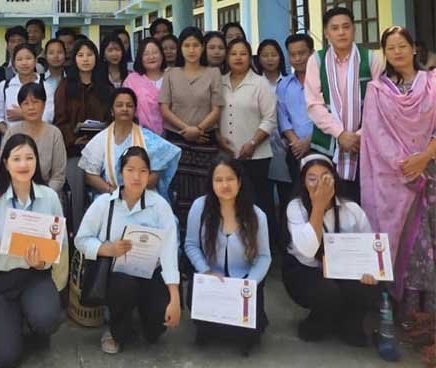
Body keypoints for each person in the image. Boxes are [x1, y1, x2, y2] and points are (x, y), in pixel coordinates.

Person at [360, 26, 436, 323]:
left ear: (413, 48)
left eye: (402, 45)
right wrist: (404, 164)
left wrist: (425, 157)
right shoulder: (378, 90)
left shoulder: (431, 83)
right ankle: (408, 315)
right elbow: (375, 133)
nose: (397, 52)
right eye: (390, 48)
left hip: (430, 172)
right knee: (408, 242)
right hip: (397, 178)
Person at [75, 146, 181, 354]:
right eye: (130, 169)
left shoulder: (159, 206)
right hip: (116, 276)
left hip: (151, 273)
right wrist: (107, 248)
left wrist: (175, 298)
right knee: (124, 286)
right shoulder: (104, 204)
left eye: (143, 171)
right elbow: (81, 240)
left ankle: (142, 314)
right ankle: (114, 327)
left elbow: (170, 252)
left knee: (154, 333)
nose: (136, 176)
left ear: (149, 175)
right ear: (120, 172)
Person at [0, 134, 64, 368]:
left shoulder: (49, 197)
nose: (23, 164)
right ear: (6, 164)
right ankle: (3, 323)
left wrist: (41, 263)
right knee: (4, 358)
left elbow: (56, 247)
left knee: (48, 319)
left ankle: (28, 320)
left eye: (29, 158)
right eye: (17, 158)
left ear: (36, 162)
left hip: (33, 276)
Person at [283, 155, 379, 346]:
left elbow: (370, 247)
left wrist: (371, 271)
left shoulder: (351, 208)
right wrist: (318, 206)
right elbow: (308, 250)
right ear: (303, 181)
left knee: (370, 286)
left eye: (326, 176)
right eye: (312, 178)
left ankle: (350, 323)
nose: (319, 183)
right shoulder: (296, 208)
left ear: (335, 178)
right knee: (327, 291)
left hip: (346, 270)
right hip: (306, 271)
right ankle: (318, 321)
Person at [184, 158, 271, 355]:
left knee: (247, 335)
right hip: (211, 279)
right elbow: (190, 245)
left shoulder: (257, 215)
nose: (224, 185)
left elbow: (264, 257)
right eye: (218, 180)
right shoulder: (200, 207)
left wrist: (249, 283)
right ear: (211, 183)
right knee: (207, 330)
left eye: (230, 179)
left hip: (243, 282)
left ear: (239, 182)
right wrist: (205, 271)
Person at [304, 7, 384, 202]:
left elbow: (381, 106)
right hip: (327, 144)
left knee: (364, 201)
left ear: (354, 29)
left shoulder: (371, 58)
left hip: (364, 144)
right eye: (335, 28)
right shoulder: (316, 60)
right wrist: (340, 134)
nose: (341, 32)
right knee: (329, 202)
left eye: (346, 27)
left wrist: (357, 136)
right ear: (326, 32)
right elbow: (313, 103)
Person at [159, 26, 224, 231]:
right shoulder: (171, 74)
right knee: (179, 193)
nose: (191, 50)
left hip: (205, 141)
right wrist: (186, 130)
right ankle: (182, 244)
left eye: (196, 45)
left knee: (205, 193)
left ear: (202, 47)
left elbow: (216, 108)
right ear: (180, 48)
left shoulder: (213, 73)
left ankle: (205, 239)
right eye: (187, 45)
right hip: (177, 142)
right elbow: (164, 108)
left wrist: (198, 129)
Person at [217, 38, 278, 249]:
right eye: (233, 53)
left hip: (256, 157)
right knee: (230, 204)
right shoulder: (220, 82)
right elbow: (214, 114)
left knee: (258, 205)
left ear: (249, 56)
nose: (238, 57)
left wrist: (253, 142)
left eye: (243, 53)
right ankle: (234, 248)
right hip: (227, 157)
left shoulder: (260, 83)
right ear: (227, 56)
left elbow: (270, 119)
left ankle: (261, 249)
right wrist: (217, 137)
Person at [80, 87, 180, 202]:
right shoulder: (100, 140)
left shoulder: (148, 138)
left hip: (143, 195)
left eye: (129, 105)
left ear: (135, 110)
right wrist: (113, 192)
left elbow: (155, 175)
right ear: (112, 111)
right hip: (110, 197)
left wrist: (133, 192)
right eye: (119, 105)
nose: (124, 109)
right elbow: (90, 175)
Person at [54, 39, 113, 232]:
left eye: (89, 55)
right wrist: (73, 139)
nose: (85, 59)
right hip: (74, 151)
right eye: (80, 55)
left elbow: (111, 119)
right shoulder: (65, 86)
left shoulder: (106, 87)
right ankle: (79, 237)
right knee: (77, 192)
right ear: (74, 60)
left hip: (103, 150)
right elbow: (60, 120)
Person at [0, 83, 66, 193]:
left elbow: (58, 176)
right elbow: (1, 168)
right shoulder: (12, 132)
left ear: (44, 105)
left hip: (47, 193)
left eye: (35, 102)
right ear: (20, 107)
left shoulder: (54, 133)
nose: (31, 107)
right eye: (26, 103)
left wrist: (44, 196)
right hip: (15, 192)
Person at [256, 39, 292, 239]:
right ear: (258, 58)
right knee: (265, 196)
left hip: (286, 145)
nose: (270, 59)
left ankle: (287, 237)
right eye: (265, 55)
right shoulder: (255, 82)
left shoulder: (289, 82)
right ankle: (270, 239)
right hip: (261, 146)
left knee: (287, 195)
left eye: (274, 54)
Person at [277, 34, 315, 214]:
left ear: (312, 53)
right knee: (298, 197)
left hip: (322, 148)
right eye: (293, 54)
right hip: (295, 151)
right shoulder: (284, 85)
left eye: (302, 53)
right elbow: (282, 116)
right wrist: (295, 142)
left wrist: (310, 140)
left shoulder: (323, 82)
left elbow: (331, 114)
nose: (298, 58)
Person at [0, 44, 55, 134]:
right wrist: (8, 133)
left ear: (35, 60)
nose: (24, 63)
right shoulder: (4, 86)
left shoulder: (46, 87)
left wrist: (23, 114)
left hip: (39, 139)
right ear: (14, 63)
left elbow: (48, 117)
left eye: (28, 58)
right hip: (11, 141)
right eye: (19, 59)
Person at [122, 38, 167, 136]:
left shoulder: (172, 76)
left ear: (162, 55)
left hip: (173, 134)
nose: (151, 57)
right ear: (140, 58)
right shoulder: (131, 80)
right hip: (139, 135)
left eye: (155, 52)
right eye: (146, 54)